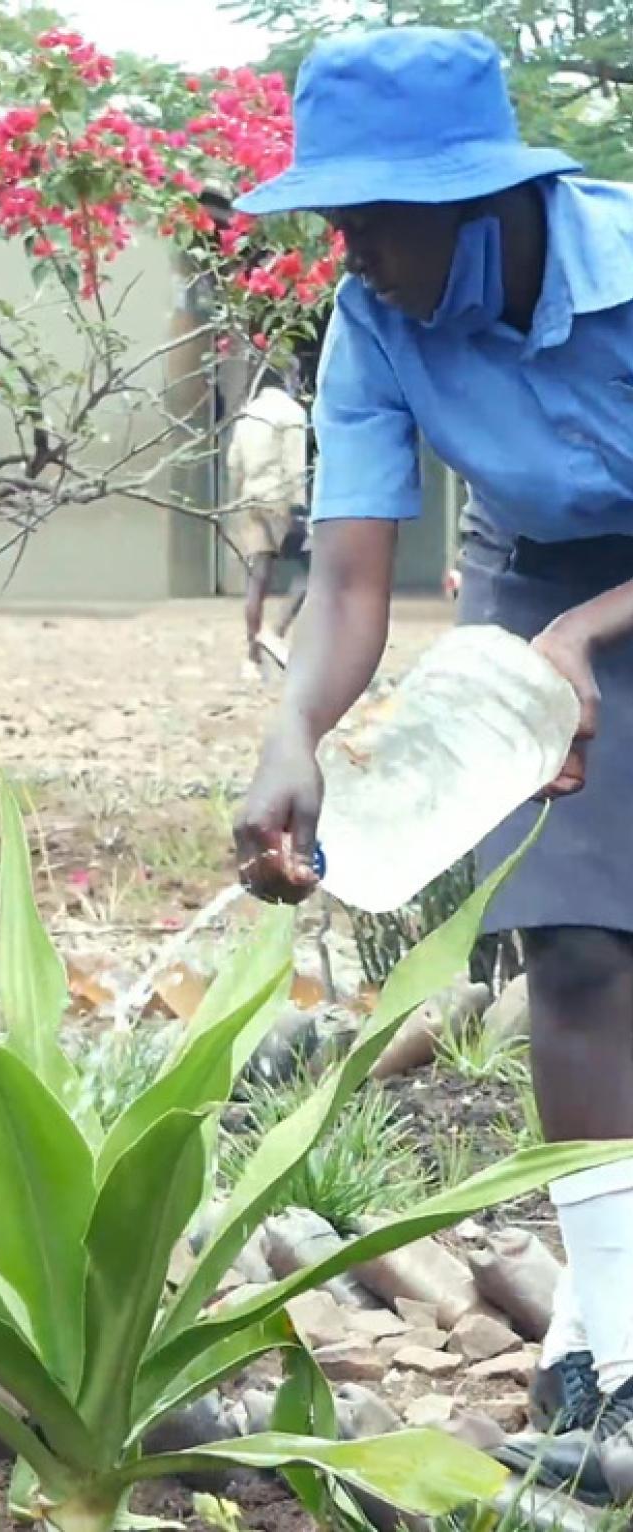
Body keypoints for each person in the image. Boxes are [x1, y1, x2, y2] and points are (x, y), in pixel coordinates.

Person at [232, 25, 633, 1505]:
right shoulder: (375, 319)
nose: (350, 251)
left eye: (375, 219)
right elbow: (347, 584)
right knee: (581, 943)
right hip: (535, 579)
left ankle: (604, 1320)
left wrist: (596, 631)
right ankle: (619, 1355)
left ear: (485, 201)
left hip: (598, 604)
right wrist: (295, 738)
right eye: (333, 221)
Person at [226, 367, 310, 676]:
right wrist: (299, 507)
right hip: (279, 498)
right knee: (313, 569)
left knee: (258, 577)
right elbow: (294, 465)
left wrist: (239, 496)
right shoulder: (292, 413)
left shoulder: (247, 414)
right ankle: (275, 632)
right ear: (288, 380)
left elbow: (233, 463)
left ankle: (252, 659)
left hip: (250, 497)